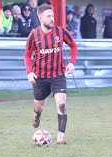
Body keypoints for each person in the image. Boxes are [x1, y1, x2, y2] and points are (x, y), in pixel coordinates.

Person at [24, 4, 78, 144]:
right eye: (48, 16)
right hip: (40, 77)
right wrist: (29, 72)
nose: (52, 18)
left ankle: (61, 136)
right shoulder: (34, 35)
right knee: (39, 106)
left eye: (52, 15)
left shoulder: (61, 32)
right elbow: (27, 55)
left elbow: (73, 46)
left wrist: (71, 63)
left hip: (58, 75)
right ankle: (37, 116)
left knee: (61, 104)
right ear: (40, 18)